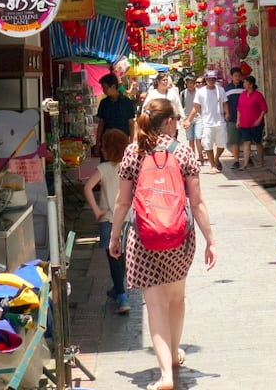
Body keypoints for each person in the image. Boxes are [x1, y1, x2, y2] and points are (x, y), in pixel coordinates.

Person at [109, 98, 216, 390]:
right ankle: (173, 355)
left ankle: (165, 375)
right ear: (169, 122)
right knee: (176, 298)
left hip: (143, 238)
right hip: (179, 238)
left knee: (154, 306)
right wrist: (211, 240)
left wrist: (114, 235)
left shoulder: (133, 152)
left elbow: (122, 202)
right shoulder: (182, 152)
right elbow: (197, 202)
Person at [82, 129, 131, 314]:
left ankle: (121, 295)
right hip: (127, 218)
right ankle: (118, 289)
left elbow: (87, 188)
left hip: (108, 219)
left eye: (103, 145)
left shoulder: (102, 169)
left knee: (113, 259)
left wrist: (96, 210)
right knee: (123, 256)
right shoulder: (128, 166)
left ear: (107, 148)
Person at [183, 70, 228, 174]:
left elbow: (225, 103)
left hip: (220, 121)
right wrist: (188, 120)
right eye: (209, 79)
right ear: (205, 80)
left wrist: (227, 113)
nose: (211, 81)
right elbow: (196, 108)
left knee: (222, 144)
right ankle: (213, 166)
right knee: (207, 145)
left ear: (215, 80)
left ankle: (216, 158)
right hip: (207, 123)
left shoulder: (220, 90)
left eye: (213, 79)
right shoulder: (201, 92)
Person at [94, 73, 136, 155]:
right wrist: (97, 143)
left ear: (113, 86)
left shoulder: (126, 102)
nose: (103, 90)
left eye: (105, 88)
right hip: (107, 142)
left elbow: (131, 123)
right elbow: (101, 124)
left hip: (122, 141)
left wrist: (131, 142)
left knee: (122, 165)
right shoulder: (104, 103)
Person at [236, 75, 268, 169]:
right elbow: (239, 109)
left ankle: (261, 161)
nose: (244, 84)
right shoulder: (242, 94)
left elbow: (264, 109)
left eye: (246, 82)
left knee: (258, 142)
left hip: (256, 123)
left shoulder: (258, 95)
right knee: (246, 142)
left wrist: (259, 119)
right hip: (244, 123)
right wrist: (238, 120)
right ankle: (245, 163)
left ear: (251, 84)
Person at [180, 74, 205, 165]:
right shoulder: (183, 93)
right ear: (186, 83)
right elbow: (181, 106)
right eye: (188, 83)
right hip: (187, 119)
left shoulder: (199, 92)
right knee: (190, 139)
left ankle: (201, 157)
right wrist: (183, 118)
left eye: (192, 83)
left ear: (194, 83)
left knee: (198, 138)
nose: (190, 85)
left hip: (198, 118)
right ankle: (192, 158)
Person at [224, 66, 245, 169]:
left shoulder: (245, 87)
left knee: (246, 139)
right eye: (235, 76)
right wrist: (227, 113)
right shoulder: (227, 88)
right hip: (232, 117)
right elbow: (225, 103)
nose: (237, 78)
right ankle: (236, 160)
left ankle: (247, 159)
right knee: (234, 140)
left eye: (239, 76)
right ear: (231, 76)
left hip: (245, 117)